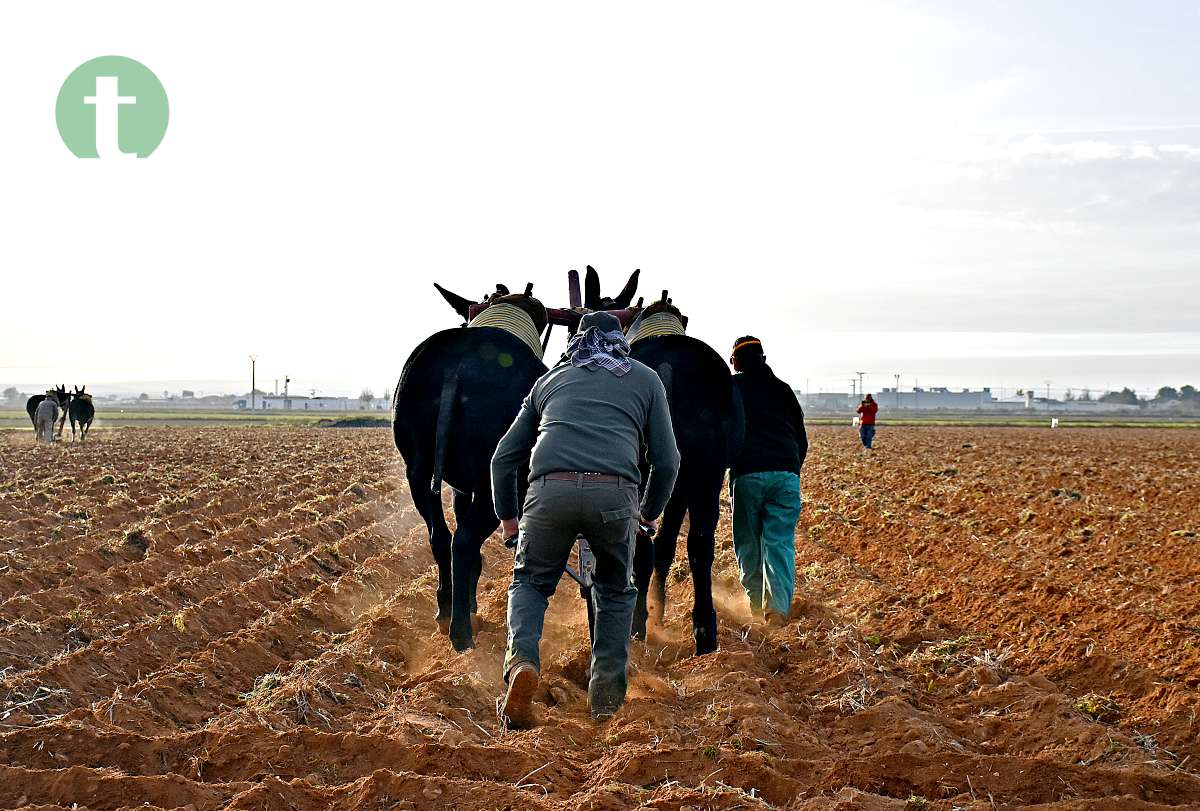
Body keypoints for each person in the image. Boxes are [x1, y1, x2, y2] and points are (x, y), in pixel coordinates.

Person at [491, 310, 680, 728]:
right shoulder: (646, 380)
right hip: (614, 496)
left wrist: (507, 518)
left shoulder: (549, 381)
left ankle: (522, 661)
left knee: (530, 583)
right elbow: (667, 461)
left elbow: (503, 458)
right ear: (623, 341)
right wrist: (648, 514)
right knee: (614, 591)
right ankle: (606, 702)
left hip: (548, 493)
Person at [728, 336, 807, 626]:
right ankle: (777, 612)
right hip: (786, 474)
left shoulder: (732, 388)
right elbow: (801, 437)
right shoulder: (783, 389)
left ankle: (756, 608)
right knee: (779, 544)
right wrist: (791, 469)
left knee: (748, 544)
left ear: (736, 362)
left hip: (747, 474)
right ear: (762, 358)